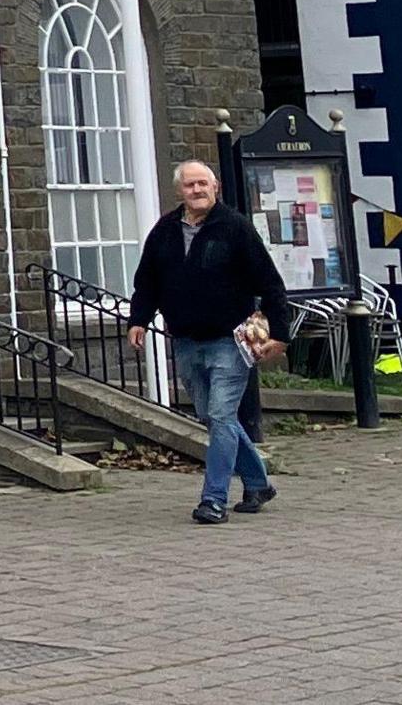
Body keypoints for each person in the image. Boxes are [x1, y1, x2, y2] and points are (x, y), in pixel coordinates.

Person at [123, 160, 289, 523]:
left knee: (221, 414)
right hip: (185, 339)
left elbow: (271, 283)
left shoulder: (235, 228)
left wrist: (279, 334)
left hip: (230, 341)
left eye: (203, 184)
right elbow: (147, 281)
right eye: (189, 185)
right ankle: (258, 482)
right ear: (179, 191)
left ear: (215, 187)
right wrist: (139, 319)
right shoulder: (164, 231)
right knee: (213, 418)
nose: (197, 191)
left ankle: (213, 500)